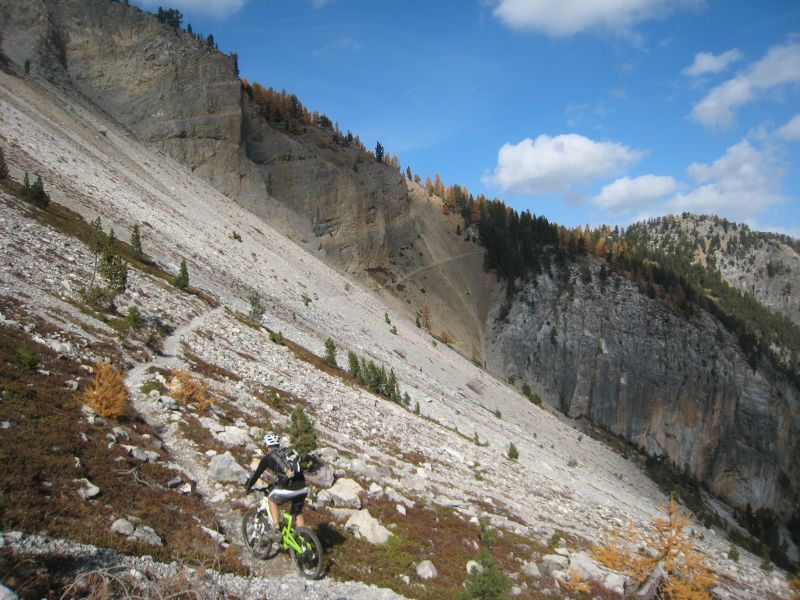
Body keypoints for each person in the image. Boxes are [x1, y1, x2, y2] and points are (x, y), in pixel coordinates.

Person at [245, 432, 308, 532]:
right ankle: (302, 539)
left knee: (271, 499)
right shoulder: (288, 452)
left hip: (290, 488)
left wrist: (248, 487)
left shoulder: (268, 457)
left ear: (267, 446)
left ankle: (277, 528)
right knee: (297, 513)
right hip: (303, 488)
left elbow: (256, 474)